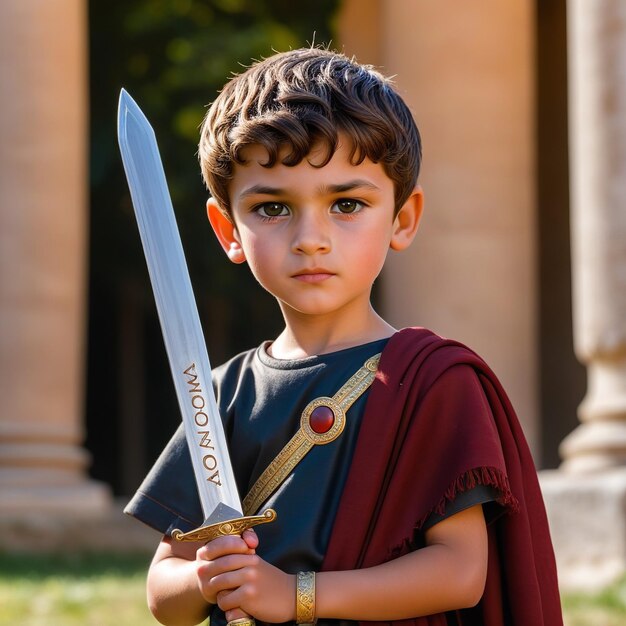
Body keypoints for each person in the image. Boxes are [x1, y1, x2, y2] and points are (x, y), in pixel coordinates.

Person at [125, 47, 563, 626]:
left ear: (402, 218)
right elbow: (164, 589)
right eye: (274, 207)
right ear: (228, 230)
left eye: (347, 204)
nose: (311, 238)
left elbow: (458, 572)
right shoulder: (219, 394)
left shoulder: (431, 382)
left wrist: (295, 597)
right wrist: (209, 577)